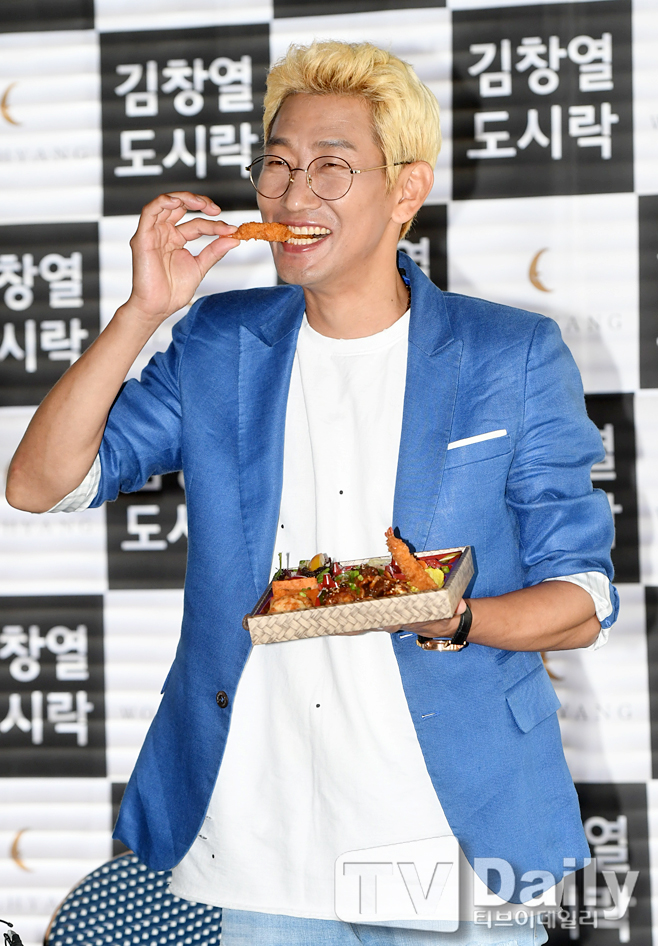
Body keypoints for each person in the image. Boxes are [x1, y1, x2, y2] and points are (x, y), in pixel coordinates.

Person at [6, 41, 617, 946]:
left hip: (452, 829)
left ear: (406, 191)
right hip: (267, 836)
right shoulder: (220, 340)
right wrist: (143, 312)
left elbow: (583, 597)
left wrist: (455, 619)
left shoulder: (509, 355)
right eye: (278, 166)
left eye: (331, 168)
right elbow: (37, 484)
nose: (294, 198)